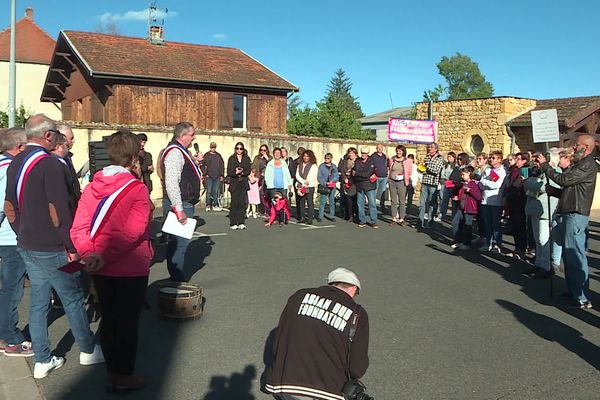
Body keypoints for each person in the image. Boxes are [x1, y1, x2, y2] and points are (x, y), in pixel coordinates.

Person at [4, 114, 103, 378]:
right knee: (71, 298)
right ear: (47, 136)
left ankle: (42, 359)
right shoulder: (51, 165)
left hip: (26, 243)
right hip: (53, 247)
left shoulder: (17, 162)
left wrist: (21, 232)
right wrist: (71, 246)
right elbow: (59, 211)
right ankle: (88, 349)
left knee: (38, 299)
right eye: (57, 136)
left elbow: (10, 207)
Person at [70, 131, 152, 393]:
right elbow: (133, 232)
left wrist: (89, 254)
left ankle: (111, 374)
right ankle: (124, 375)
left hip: (98, 266)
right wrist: (102, 255)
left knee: (109, 319)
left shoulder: (93, 186)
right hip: (129, 267)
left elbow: (78, 227)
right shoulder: (137, 189)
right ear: (134, 156)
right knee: (127, 323)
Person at [265, 267, 369, 400]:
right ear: (354, 288)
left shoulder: (299, 296)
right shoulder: (357, 313)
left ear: (331, 284)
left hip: (285, 383)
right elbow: (357, 368)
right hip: (326, 390)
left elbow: (279, 341)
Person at [538, 134, 597, 309]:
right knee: (568, 255)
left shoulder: (587, 165)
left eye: (575, 145)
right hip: (567, 211)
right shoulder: (579, 165)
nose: (572, 148)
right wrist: (553, 192)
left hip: (576, 214)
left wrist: (546, 167)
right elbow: (569, 190)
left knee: (575, 254)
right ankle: (573, 290)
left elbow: (565, 180)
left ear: (584, 148)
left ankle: (581, 296)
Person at [0, 128, 30, 357]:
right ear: (19, 147)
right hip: (10, 239)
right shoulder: (9, 168)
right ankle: (9, 338)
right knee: (12, 289)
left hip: (8, 238)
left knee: (8, 288)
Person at [160, 122, 202, 282]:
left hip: (184, 202)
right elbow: (172, 182)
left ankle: (176, 279)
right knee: (179, 245)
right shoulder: (175, 152)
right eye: (192, 134)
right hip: (181, 203)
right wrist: (179, 209)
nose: (194, 137)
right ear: (183, 136)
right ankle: (177, 282)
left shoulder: (180, 151)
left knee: (176, 244)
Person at [523, 149, 561, 279]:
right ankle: (538, 263)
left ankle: (545, 266)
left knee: (543, 239)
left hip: (545, 209)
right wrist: (531, 183)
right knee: (536, 238)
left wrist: (531, 184)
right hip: (535, 209)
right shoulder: (538, 173)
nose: (538, 163)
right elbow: (528, 185)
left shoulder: (555, 172)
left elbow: (542, 187)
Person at [478, 151, 506, 253]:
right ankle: (488, 243)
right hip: (485, 200)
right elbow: (480, 184)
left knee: (496, 223)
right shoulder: (488, 170)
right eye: (490, 158)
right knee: (487, 223)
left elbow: (497, 185)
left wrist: (485, 182)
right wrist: (485, 183)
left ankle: (497, 244)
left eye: (493, 158)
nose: (491, 159)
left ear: (499, 159)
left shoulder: (502, 171)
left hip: (495, 201)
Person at [503, 152, 530, 259]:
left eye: (519, 159)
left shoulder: (526, 171)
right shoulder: (513, 170)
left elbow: (518, 185)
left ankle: (521, 250)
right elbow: (508, 183)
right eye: (516, 158)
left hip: (520, 201)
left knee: (520, 227)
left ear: (524, 161)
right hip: (512, 200)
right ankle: (517, 249)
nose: (517, 160)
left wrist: (510, 191)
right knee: (515, 226)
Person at [451, 166, 481, 250]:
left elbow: (478, 197)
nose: (462, 176)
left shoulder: (473, 184)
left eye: (463, 174)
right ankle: (458, 241)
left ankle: (467, 243)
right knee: (455, 222)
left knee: (467, 225)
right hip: (461, 207)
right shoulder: (463, 184)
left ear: (469, 174)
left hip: (469, 208)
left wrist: (470, 190)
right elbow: (463, 196)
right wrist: (458, 198)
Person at [418, 142, 445, 228]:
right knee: (422, 203)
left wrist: (426, 167)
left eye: (432, 147)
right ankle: (420, 222)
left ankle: (429, 222)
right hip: (425, 182)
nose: (430, 149)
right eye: (429, 147)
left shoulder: (439, 159)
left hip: (433, 184)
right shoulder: (427, 157)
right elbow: (421, 168)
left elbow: (436, 170)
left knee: (431, 204)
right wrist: (423, 168)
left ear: (436, 149)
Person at [227, 142, 252, 230]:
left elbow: (248, 170)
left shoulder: (246, 158)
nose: (239, 150)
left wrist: (242, 172)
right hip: (234, 182)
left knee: (242, 203)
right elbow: (229, 172)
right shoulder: (231, 159)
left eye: (241, 148)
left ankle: (241, 222)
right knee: (234, 203)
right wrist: (235, 172)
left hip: (243, 182)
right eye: (237, 148)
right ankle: (233, 222)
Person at [353, 147, 378, 228]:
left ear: (368, 154)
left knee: (372, 204)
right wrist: (359, 174)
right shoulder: (357, 161)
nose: (363, 154)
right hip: (360, 185)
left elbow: (367, 173)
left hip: (369, 185)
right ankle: (362, 220)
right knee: (360, 204)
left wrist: (358, 174)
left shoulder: (372, 161)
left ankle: (373, 221)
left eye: (365, 153)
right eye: (362, 153)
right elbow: (354, 172)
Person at [387, 145, 412, 226]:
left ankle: (401, 219)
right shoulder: (392, 159)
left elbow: (409, 171)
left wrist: (404, 176)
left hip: (402, 182)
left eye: (400, 151)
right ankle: (394, 218)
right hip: (392, 181)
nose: (398, 152)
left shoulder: (407, 161)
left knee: (402, 201)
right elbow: (389, 168)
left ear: (403, 152)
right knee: (393, 201)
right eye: (397, 150)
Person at [295, 149, 318, 224]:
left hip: (309, 186)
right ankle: (302, 217)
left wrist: (306, 183)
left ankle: (310, 218)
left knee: (309, 202)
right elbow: (297, 175)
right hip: (300, 185)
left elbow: (312, 176)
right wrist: (302, 182)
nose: (305, 157)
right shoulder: (299, 165)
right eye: (304, 156)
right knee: (301, 202)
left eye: (307, 156)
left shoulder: (313, 166)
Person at [201, 142, 224, 212]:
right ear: (210, 147)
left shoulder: (218, 156)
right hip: (209, 176)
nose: (213, 149)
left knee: (215, 191)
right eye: (211, 147)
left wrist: (222, 175)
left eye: (214, 147)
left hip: (217, 176)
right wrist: (205, 174)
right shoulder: (207, 155)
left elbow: (221, 166)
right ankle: (208, 205)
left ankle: (215, 205)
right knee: (209, 191)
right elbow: (202, 165)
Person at [316, 153, 338, 222]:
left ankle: (332, 216)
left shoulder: (334, 166)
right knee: (322, 201)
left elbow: (336, 176)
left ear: (331, 159)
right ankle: (320, 216)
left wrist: (332, 181)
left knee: (332, 201)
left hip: (332, 186)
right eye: (325, 158)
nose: (326, 159)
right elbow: (319, 176)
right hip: (324, 186)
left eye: (328, 158)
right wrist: (325, 183)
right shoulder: (321, 166)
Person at [339, 148, 358, 223]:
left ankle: (357, 215)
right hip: (346, 180)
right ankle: (350, 216)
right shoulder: (345, 161)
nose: (351, 155)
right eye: (350, 153)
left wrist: (351, 180)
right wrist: (345, 179)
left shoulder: (358, 161)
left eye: (352, 153)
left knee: (356, 200)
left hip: (355, 182)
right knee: (348, 200)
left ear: (355, 154)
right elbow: (342, 170)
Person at [253, 144, 272, 215]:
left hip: (266, 178)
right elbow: (253, 166)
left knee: (265, 194)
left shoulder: (270, 158)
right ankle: (259, 209)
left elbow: (272, 165)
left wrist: (266, 158)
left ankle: (267, 209)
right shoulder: (257, 158)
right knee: (258, 194)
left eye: (264, 150)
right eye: (261, 150)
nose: (262, 151)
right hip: (258, 177)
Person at [437, 151, 456, 220]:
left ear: (454, 158)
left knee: (452, 200)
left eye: (450, 156)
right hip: (442, 183)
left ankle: (454, 216)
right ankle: (442, 213)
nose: (448, 158)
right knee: (443, 199)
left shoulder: (455, 167)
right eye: (448, 156)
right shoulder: (445, 165)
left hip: (450, 183)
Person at [371, 144, 388, 212]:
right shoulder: (373, 156)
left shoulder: (385, 156)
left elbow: (388, 165)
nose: (380, 149)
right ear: (376, 148)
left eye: (381, 148)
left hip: (384, 176)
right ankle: (373, 206)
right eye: (378, 148)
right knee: (374, 191)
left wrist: (388, 158)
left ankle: (382, 205)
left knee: (383, 192)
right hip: (376, 176)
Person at [290, 147, 306, 220]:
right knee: (301, 198)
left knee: (300, 198)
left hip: (301, 182)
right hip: (299, 182)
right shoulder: (297, 162)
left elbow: (292, 173)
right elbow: (293, 172)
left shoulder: (297, 161)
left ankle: (300, 214)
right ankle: (301, 214)